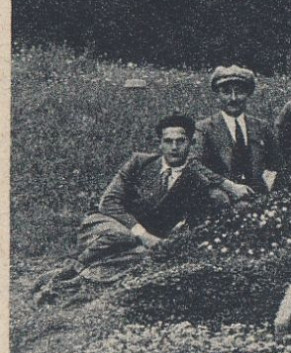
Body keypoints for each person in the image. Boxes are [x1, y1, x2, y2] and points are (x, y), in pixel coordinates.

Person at [34, 115, 229, 301]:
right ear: (160, 144)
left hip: (141, 242)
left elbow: (195, 224)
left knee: (143, 258)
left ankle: (71, 284)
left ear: (191, 143)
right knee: (122, 236)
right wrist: (141, 233)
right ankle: (65, 274)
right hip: (105, 224)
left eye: (181, 141)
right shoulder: (139, 163)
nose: (174, 147)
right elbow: (109, 202)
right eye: (168, 141)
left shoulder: (196, 182)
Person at [195, 65, 281, 196]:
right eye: (226, 92)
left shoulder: (261, 127)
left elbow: (278, 164)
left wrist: (271, 184)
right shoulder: (204, 128)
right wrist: (228, 185)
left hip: (258, 196)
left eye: (239, 92)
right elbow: (194, 164)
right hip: (222, 197)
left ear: (248, 94)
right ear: (218, 95)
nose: (233, 98)